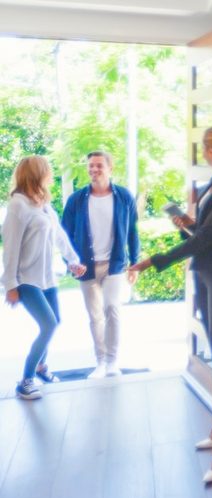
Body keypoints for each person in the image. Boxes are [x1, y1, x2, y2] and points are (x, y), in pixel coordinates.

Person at [131, 125, 212, 484]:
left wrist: (155, 260)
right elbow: (205, 233)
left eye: (204, 150)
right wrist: (187, 223)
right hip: (209, 273)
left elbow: (207, 240)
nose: (203, 156)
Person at [2, 156, 86, 399]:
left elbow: (59, 235)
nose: (51, 173)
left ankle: (41, 367)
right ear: (37, 173)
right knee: (48, 324)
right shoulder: (18, 205)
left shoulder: (43, 204)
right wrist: (10, 285)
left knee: (55, 321)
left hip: (47, 278)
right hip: (26, 280)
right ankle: (25, 380)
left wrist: (73, 261)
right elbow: (10, 248)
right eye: (48, 170)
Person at [60, 150, 140, 378]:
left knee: (112, 308)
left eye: (98, 166)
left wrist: (135, 262)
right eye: (91, 166)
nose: (94, 170)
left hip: (114, 264)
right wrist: (70, 262)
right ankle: (101, 362)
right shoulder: (77, 199)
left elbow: (133, 230)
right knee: (95, 316)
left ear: (110, 168)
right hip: (86, 266)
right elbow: (63, 233)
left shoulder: (124, 196)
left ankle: (113, 361)